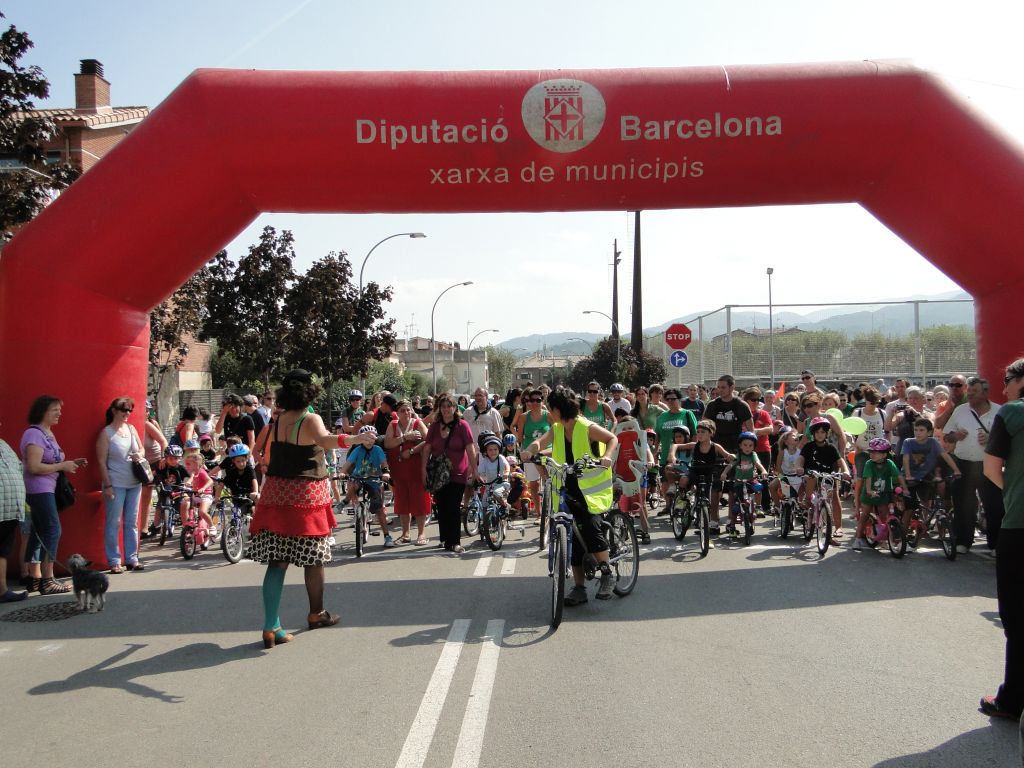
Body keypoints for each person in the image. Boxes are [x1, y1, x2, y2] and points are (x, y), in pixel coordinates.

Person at [248, 369, 374, 648]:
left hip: (276, 494)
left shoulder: (277, 421)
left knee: (277, 562)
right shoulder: (309, 418)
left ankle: (271, 626)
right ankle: (316, 613)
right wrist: (355, 439)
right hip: (305, 496)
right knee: (314, 558)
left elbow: (267, 453)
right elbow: (324, 440)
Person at [521, 388, 618, 605]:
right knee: (570, 537)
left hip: (590, 489)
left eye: (550, 408)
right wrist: (530, 451)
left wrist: (606, 456)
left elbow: (612, 438)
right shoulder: (557, 428)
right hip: (567, 486)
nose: (548, 412)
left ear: (558, 409)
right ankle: (579, 588)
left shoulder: (586, 427)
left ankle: (607, 573)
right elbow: (541, 443)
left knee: (590, 527)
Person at [981, 357, 1024, 719]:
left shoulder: (1011, 413)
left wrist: (1012, 491)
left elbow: (991, 468)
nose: (1004, 388)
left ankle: (1012, 700)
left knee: (1017, 616)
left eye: (1007, 381)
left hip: (1020, 525)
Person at [21, 395, 87, 594]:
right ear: (42, 412)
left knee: (40, 531)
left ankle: (35, 577)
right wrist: (62, 466)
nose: (59, 413)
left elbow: (51, 461)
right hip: (38, 489)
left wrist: (71, 463)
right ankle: (48, 579)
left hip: (46, 488)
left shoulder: (47, 433)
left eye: (60, 409)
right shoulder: (34, 434)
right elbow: (33, 467)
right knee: (52, 529)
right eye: (55, 410)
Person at [945, 377, 1003, 554]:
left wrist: (991, 438)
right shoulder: (960, 410)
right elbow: (947, 436)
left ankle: (996, 544)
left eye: (974, 391)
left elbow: (1008, 439)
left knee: (994, 505)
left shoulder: (999, 411)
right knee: (963, 504)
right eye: (969, 391)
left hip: (989, 464)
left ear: (985, 393)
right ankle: (963, 541)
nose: (969, 394)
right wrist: (955, 436)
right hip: (963, 464)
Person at [96, 397, 146, 573]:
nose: (127, 413)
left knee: (132, 522)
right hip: (115, 483)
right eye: (124, 410)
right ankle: (114, 561)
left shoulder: (131, 429)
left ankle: (132, 558)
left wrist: (139, 454)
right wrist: (108, 485)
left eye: (130, 410)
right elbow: (101, 462)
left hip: (134, 482)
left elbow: (142, 449)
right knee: (114, 522)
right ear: (114, 411)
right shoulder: (106, 433)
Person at [421, 393, 477, 553]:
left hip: (458, 472)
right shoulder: (434, 426)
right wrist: (423, 469)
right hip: (438, 473)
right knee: (442, 506)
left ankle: (455, 542)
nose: (446, 409)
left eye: (449, 406)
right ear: (439, 408)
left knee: (453, 506)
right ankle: (445, 539)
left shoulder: (462, 426)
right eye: (443, 407)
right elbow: (427, 448)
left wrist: (474, 469)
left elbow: (470, 448)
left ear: (454, 408)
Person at [384, 399, 431, 545]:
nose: (406, 413)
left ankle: (421, 534)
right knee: (402, 501)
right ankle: (405, 534)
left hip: (416, 468)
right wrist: (404, 438)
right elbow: (387, 443)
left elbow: (429, 440)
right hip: (398, 469)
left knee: (419, 500)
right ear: (397, 413)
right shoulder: (393, 425)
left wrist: (412, 450)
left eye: (408, 409)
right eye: (403, 410)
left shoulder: (417, 423)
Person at [342, 425, 393, 548]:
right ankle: (344, 502)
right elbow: (348, 463)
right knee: (353, 484)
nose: (369, 441)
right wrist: (342, 472)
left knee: (379, 509)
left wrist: (386, 472)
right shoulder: (357, 450)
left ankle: (387, 536)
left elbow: (384, 463)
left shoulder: (378, 449)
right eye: (366, 438)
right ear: (361, 439)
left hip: (374, 479)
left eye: (372, 438)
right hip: (359, 477)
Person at [852, 437, 906, 550]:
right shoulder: (869, 464)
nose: (872, 454)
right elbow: (868, 478)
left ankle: (883, 540)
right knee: (865, 515)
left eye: (875, 452)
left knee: (884, 516)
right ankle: (858, 539)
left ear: (884, 454)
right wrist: (869, 490)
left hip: (884, 494)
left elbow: (898, 475)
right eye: (871, 452)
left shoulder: (889, 463)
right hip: (869, 495)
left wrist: (904, 488)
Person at [0, 420, 28, 602]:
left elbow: (18, 467)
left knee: (2, 550)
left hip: (10, 510)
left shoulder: (3, 444)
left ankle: (2, 591)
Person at [512, 387, 550, 521]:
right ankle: (539, 514)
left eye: (538, 400)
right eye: (531, 400)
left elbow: (556, 433)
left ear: (542, 401)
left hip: (547, 453)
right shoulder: (523, 417)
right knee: (534, 484)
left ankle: (550, 510)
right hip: (530, 453)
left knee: (549, 483)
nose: (534, 403)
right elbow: (520, 436)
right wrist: (525, 450)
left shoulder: (548, 415)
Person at [720, 432, 767, 537]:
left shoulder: (753, 455)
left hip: (751, 480)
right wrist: (724, 473)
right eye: (745, 445)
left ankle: (758, 507)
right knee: (736, 507)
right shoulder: (739, 455)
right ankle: (732, 527)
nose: (747, 448)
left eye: (750, 445)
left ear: (754, 447)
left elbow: (758, 464)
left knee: (758, 487)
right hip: (739, 482)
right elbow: (731, 465)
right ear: (740, 445)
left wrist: (763, 470)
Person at [655, 389, 699, 500]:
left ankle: (685, 503)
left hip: (685, 456)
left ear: (679, 400)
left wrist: (693, 451)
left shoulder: (687, 414)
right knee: (666, 481)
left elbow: (695, 434)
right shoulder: (662, 416)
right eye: (667, 399)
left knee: (685, 481)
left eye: (673, 399)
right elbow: (657, 435)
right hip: (666, 454)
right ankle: (668, 505)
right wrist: (655, 452)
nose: (670, 401)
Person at [140, 400, 168, 539]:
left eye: (147, 410)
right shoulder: (131, 425)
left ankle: (152, 525)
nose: (145, 412)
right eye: (143, 409)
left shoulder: (148, 424)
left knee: (150, 494)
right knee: (143, 496)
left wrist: (164, 457)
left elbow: (163, 441)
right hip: (142, 464)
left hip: (156, 462)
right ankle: (143, 528)